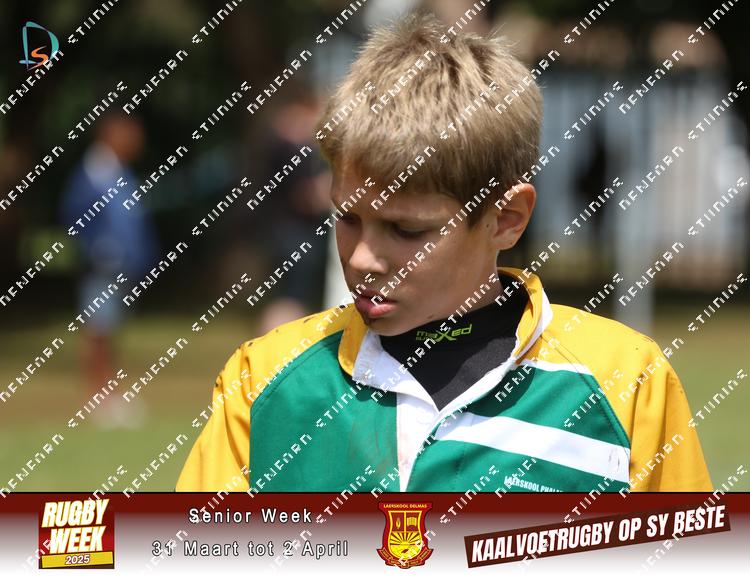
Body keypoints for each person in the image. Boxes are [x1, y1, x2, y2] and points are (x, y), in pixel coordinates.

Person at [176, 14, 711, 493]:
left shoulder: (626, 383)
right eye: (348, 217)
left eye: (406, 230)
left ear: (506, 218)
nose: (361, 259)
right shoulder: (265, 382)